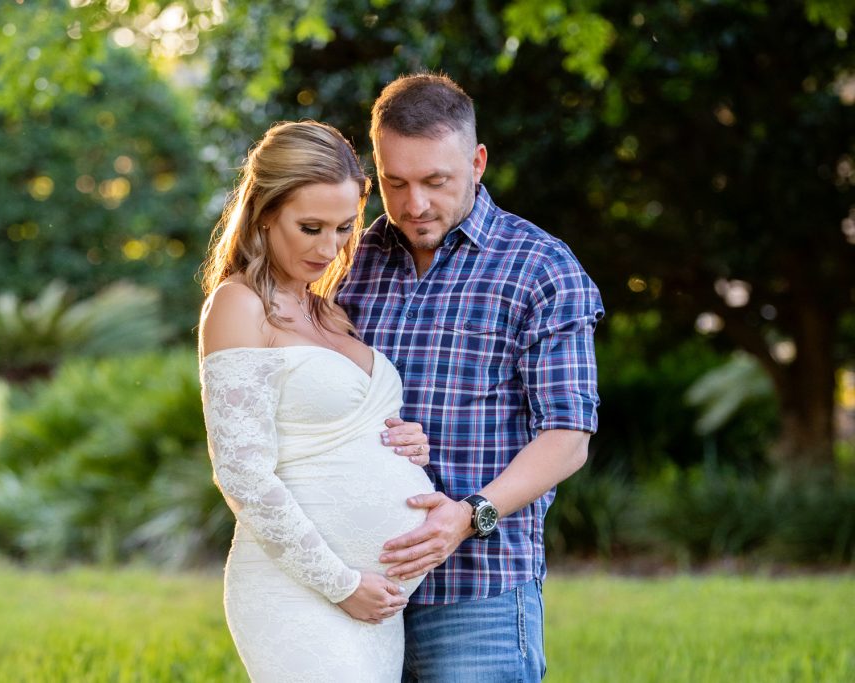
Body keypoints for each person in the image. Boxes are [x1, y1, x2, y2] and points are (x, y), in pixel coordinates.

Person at [337, 73, 604, 681]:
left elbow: (568, 436)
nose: (414, 205)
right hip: (356, 586)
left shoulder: (540, 267)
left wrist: (468, 515)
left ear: (477, 161)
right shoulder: (347, 263)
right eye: (394, 183)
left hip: (476, 592)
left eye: (436, 181)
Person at [198, 120, 439, 682]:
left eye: (342, 228)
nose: (329, 249)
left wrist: (405, 444)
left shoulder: (326, 309)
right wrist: (342, 583)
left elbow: (340, 432)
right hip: (302, 593)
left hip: (373, 603)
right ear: (263, 213)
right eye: (309, 228)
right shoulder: (239, 306)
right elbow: (242, 475)